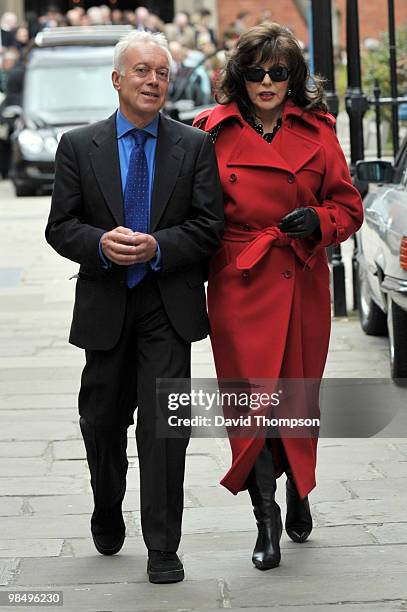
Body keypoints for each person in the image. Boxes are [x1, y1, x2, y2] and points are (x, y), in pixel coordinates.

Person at [45, 30, 223, 583]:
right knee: (101, 423)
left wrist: (160, 246)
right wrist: (100, 243)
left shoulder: (194, 146)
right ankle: (106, 505)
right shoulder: (79, 146)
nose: (153, 81)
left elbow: (209, 228)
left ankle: (163, 547)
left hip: (166, 306)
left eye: (162, 73)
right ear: (118, 79)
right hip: (105, 304)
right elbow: (61, 227)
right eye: (142, 71)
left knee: (165, 431)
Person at [193, 22, 363, 571]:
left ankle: (299, 490)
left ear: (294, 79)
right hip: (239, 283)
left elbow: (349, 207)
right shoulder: (209, 134)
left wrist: (317, 219)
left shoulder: (318, 131)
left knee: (295, 402)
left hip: (300, 279)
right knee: (251, 408)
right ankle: (265, 520)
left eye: (279, 72)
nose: (267, 82)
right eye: (256, 71)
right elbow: (190, 213)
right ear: (239, 77)